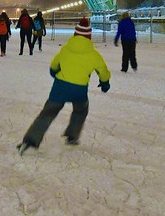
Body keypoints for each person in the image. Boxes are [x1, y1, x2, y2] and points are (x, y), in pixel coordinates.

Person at [17, 18, 111, 155]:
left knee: (48, 113)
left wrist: (54, 73)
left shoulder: (66, 49)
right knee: (81, 110)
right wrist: (105, 83)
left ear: (75, 34)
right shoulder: (94, 54)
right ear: (89, 36)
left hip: (60, 88)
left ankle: (30, 140)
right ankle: (72, 136)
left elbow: (54, 66)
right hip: (79, 90)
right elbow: (103, 71)